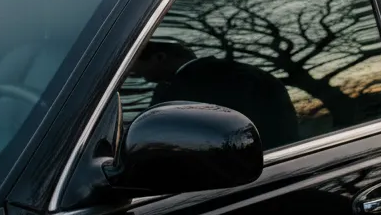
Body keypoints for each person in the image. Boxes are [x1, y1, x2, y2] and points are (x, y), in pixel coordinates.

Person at [127, 40, 300, 150]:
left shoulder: (225, 79)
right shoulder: (169, 87)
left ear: (159, 57)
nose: (135, 74)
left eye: (138, 68)